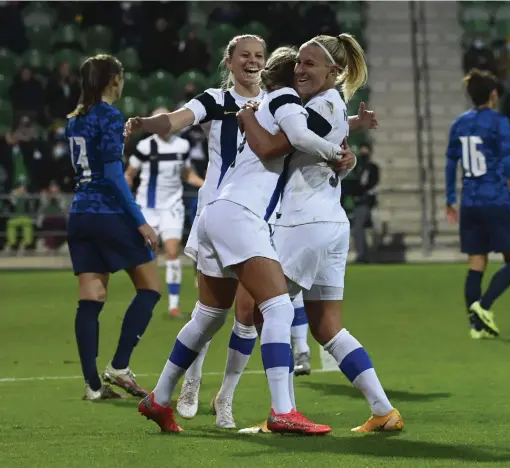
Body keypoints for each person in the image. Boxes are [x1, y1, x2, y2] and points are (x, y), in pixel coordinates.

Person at [133, 46, 347, 434]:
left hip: (216, 212)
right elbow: (294, 137)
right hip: (241, 214)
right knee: (278, 309)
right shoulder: (283, 101)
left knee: (209, 316)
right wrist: (337, 152)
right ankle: (283, 410)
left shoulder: (267, 105)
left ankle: (159, 399)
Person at [236, 34, 402, 434]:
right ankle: (383, 411)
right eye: (299, 63)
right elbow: (328, 146)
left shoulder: (319, 105)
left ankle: (283, 412)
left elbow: (282, 144)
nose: (300, 69)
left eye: (310, 64)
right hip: (330, 224)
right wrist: (348, 148)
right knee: (326, 326)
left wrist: (247, 119)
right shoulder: (330, 106)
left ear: (334, 71)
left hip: (303, 223)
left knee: (262, 310)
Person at [65, 54, 161, 401]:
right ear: (114, 80)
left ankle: (92, 386)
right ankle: (119, 366)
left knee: (91, 297)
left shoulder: (74, 120)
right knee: (150, 287)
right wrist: (140, 221)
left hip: (80, 213)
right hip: (107, 213)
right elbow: (112, 175)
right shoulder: (109, 116)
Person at [445, 69, 510, 340]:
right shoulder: (498, 122)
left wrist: (450, 199)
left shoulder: (458, 124)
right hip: (494, 198)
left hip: (469, 201)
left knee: (476, 263)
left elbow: (451, 164)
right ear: (493, 95)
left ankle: (475, 326)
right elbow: (507, 161)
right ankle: (484, 306)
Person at [125, 107, 204, 318]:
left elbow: (188, 175)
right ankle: (144, 300)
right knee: (145, 257)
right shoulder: (145, 146)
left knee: (172, 252)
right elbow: (129, 174)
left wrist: (207, 185)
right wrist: (127, 201)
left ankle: (174, 306)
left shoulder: (182, 145)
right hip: (148, 207)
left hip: (172, 207)